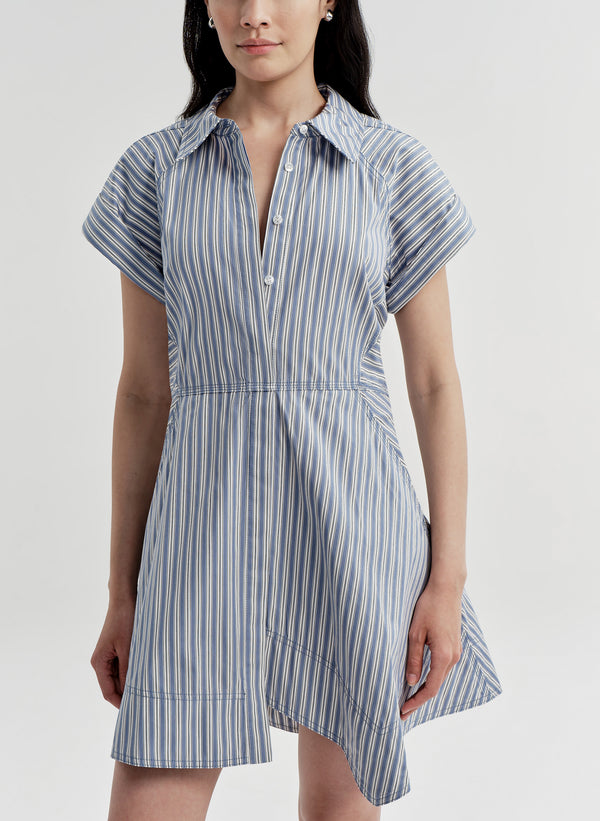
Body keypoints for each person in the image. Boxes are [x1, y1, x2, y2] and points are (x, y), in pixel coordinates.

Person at [82, 1, 503, 819]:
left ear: (327, 2)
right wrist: (122, 590)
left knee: (338, 803)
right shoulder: (155, 171)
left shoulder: (390, 165)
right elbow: (143, 390)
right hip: (199, 536)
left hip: (356, 525)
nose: (254, 14)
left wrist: (445, 578)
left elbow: (434, 384)